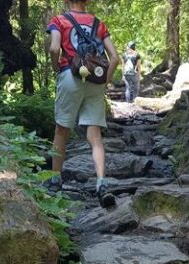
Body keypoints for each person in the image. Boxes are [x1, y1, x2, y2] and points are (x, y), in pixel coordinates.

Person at [46, 1, 118, 207]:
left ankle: (55, 181)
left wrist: (57, 68)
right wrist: (105, 81)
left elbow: (53, 48)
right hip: (95, 78)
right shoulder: (99, 24)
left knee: (61, 130)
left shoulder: (59, 21)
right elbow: (114, 57)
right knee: (94, 135)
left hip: (71, 74)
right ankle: (102, 184)